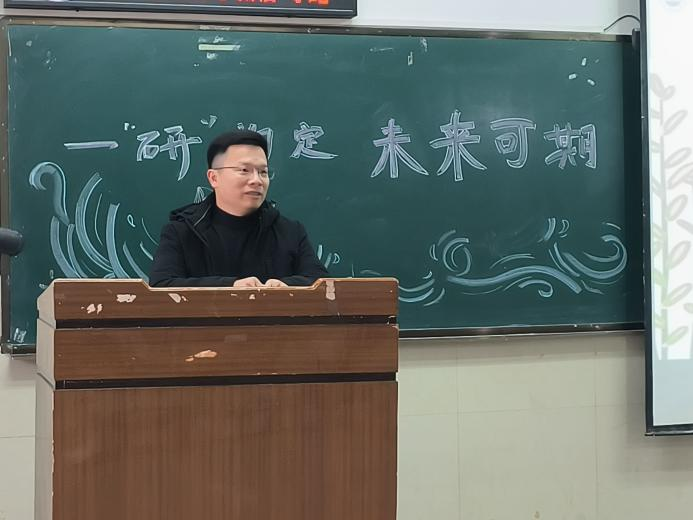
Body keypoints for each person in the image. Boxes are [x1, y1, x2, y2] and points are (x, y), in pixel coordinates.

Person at [149, 130, 328, 288]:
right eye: (244, 170)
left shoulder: (290, 232)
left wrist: (287, 286)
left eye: (263, 172)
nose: (257, 180)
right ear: (214, 178)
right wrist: (231, 287)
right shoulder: (182, 231)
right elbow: (161, 285)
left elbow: (323, 284)